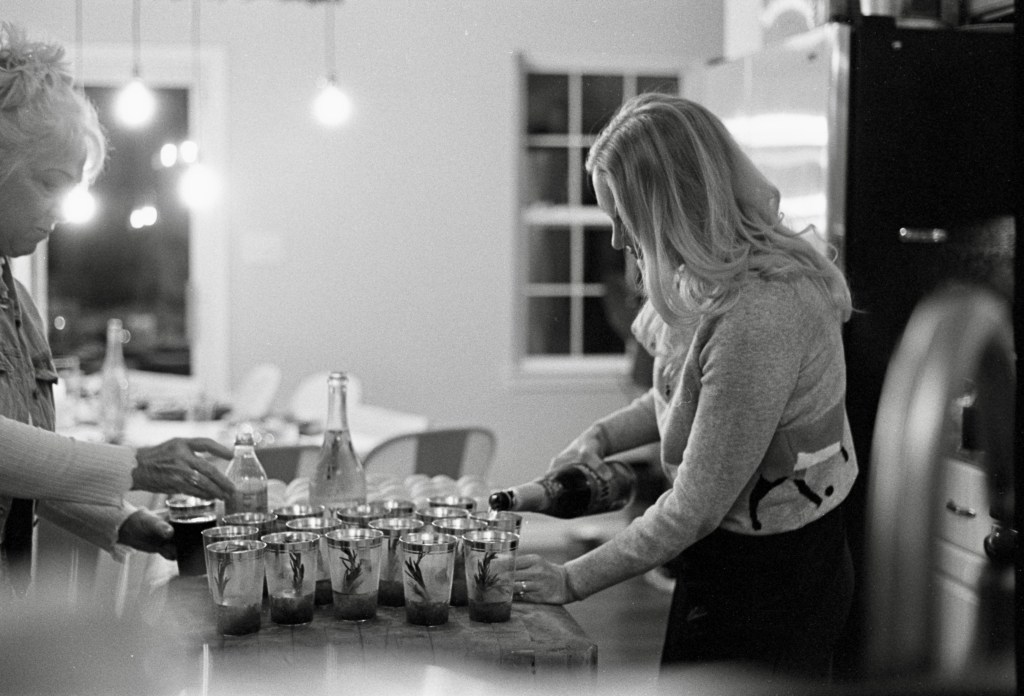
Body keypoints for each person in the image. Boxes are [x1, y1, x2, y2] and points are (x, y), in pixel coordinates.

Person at [513, 93, 858, 682]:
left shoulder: (759, 313)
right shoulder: (704, 276)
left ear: (672, 206)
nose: (617, 240)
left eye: (624, 218)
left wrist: (570, 579)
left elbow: (694, 507)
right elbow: (683, 396)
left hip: (775, 580)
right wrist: (600, 437)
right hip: (726, 558)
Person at [0, 23, 235, 596]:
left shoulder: (18, 302)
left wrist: (125, 522)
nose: (62, 210)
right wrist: (134, 465)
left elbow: (25, 465)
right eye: (49, 183)